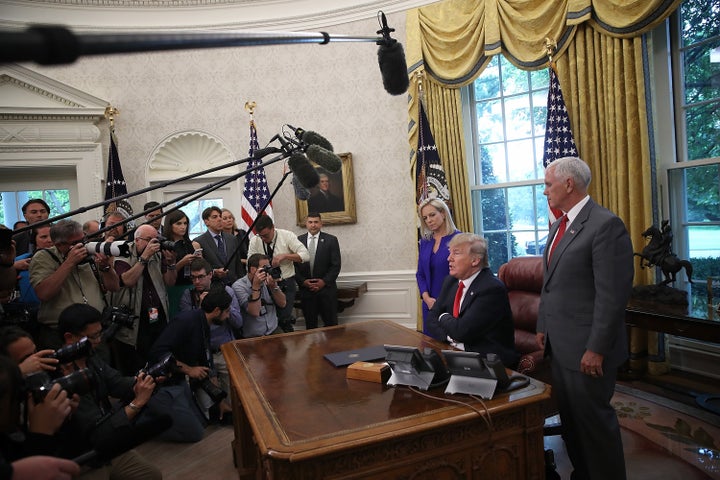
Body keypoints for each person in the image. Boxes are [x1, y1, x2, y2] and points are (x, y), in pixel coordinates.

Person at [535, 156, 633, 480]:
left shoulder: (605, 225)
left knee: (594, 426)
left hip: (588, 350)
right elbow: (550, 286)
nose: (544, 189)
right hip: (560, 346)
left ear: (568, 184)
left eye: (548, 184)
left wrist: (597, 348)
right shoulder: (559, 225)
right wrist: (542, 327)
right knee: (573, 424)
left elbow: (612, 296)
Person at [55, 304, 163, 478]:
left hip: (108, 448)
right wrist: (137, 403)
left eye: (100, 333)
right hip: (84, 458)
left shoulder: (90, 358)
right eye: (93, 336)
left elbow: (117, 383)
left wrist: (147, 379)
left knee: (151, 475)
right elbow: (98, 432)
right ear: (70, 337)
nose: (99, 340)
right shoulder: (63, 377)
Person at [426, 233, 518, 368]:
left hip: (488, 363)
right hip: (454, 355)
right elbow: (431, 318)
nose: (448, 259)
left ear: (475, 260)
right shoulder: (450, 281)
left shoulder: (491, 289)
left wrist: (443, 316)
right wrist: (449, 337)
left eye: (456, 253)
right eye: (449, 253)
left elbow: (461, 331)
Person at [149, 286, 233, 431]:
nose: (228, 316)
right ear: (217, 311)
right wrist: (189, 370)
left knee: (207, 420)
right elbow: (158, 352)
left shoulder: (204, 324)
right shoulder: (185, 321)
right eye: (227, 311)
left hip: (186, 377)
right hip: (167, 380)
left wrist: (218, 399)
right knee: (195, 430)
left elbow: (205, 361)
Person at [29, 220, 120, 350]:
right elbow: (44, 293)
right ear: (59, 244)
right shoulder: (43, 257)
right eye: (76, 243)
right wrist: (69, 262)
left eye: (84, 240)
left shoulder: (89, 253)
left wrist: (106, 267)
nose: (82, 246)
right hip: (62, 335)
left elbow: (114, 287)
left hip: (96, 331)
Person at [178, 257, 243, 417]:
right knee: (209, 409)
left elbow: (239, 322)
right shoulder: (188, 295)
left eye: (200, 277)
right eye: (193, 278)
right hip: (201, 356)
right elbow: (188, 328)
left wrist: (222, 308)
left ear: (210, 275)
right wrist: (202, 308)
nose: (197, 281)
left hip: (223, 351)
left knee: (233, 402)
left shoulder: (225, 291)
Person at [110, 224, 177, 376]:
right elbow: (127, 281)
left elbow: (170, 282)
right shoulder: (123, 252)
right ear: (137, 240)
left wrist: (171, 263)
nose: (153, 243)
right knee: (137, 364)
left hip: (156, 315)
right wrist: (144, 258)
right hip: (134, 320)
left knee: (158, 358)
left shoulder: (157, 254)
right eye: (149, 240)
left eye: (156, 239)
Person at [247, 214, 308, 332]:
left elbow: (305, 255)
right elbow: (250, 263)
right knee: (269, 319)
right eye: (261, 236)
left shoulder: (287, 235)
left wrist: (285, 256)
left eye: (266, 235)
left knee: (284, 318)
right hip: (264, 285)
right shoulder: (255, 240)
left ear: (273, 228)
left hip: (285, 282)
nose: (264, 239)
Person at [416, 198, 460, 335]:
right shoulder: (425, 242)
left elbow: (462, 275)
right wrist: (427, 298)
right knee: (430, 349)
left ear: (443, 213)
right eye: (425, 218)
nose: (429, 220)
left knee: (449, 347)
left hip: (451, 304)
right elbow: (420, 274)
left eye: (432, 215)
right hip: (429, 304)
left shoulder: (459, 239)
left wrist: (443, 303)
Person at [295, 213, 341, 329]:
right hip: (306, 291)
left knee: (331, 327)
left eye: (316, 222)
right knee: (310, 327)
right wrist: (303, 282)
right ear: (306, 224)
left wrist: (323, 282)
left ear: (321, 224)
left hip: (326, 291)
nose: (313, 225)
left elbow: (336, 265)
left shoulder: (331, 240)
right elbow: (293, 266)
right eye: (310, 222)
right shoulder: (298, 241)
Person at [232, 254, 286, 338]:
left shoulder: (267, 281)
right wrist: (256, 286)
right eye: (265, 268)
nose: (268, 271)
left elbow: (283, 303)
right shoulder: (239, 286)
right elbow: (254, 312)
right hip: (253, 335)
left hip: (273, 329)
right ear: (253, 269)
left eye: (269, 267)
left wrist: (273, 286)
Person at [162, 210, 202, 319]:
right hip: (175, 288)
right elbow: (164, 274)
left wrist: (199, 261)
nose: (183, 227)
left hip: (192, 286)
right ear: (170, 225)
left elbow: (201, 267)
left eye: (185, 223)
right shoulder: (165, 246)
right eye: (178, 223)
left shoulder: (193, 244)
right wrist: (182, 262)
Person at [193, 206, 244, 286]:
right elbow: (199, 268)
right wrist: (214, 272)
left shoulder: (232, 239)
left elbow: (238, 265)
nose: (219, 219)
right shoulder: (199, 242)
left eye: (220, 216)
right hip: (213, 287)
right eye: (215, 217)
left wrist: (242, 283)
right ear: (206, 222)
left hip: (235, 285)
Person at [221, 208, 248, 278]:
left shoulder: (242, 233)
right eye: (225, 218)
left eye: (230, 217)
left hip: (246, 270)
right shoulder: (220, 238)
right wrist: (242, 260)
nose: (229, 220)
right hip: (230, 272)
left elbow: (249, 250)